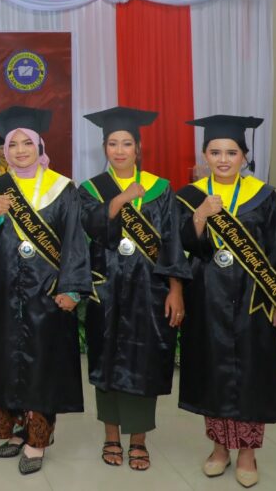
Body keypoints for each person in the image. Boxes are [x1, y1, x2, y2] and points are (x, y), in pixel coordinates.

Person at [177, 115, 276, 488]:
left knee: (252, 374)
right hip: (207, 300)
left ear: (244, 157)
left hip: (254, 301)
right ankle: (219, 448)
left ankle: (247, 453)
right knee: (213, 372)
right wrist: (200, 217)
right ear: (204, 154)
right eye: (215, 151)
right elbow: (181, 246)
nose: (222, 159)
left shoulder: (265, 197)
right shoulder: (192, 195)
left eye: (231, 152)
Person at [0, 105, 91, 475]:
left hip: (47, 293)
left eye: (27, 143)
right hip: (4, 291)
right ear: (4, 150)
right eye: (12, 144)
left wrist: (72, 288)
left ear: (39, 145)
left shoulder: (63, 189)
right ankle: (17, 431)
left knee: (41, 363)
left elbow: (74, 242)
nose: (20, 150)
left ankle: (38, 440)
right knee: (7, 359)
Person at [79, 107, 191, 471]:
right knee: (106, 359)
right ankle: (111, 436)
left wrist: (176, 289)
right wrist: (119, 201)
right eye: (113, 143)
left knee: (145, 361)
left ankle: (139, 439)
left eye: (127, 143)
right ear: (104, 147)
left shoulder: (160, 189)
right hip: (106, 289)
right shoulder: (92, 189)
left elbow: (172, 241)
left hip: (150, 290)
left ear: (138, 147)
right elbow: (91, 230)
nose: (120, 150)